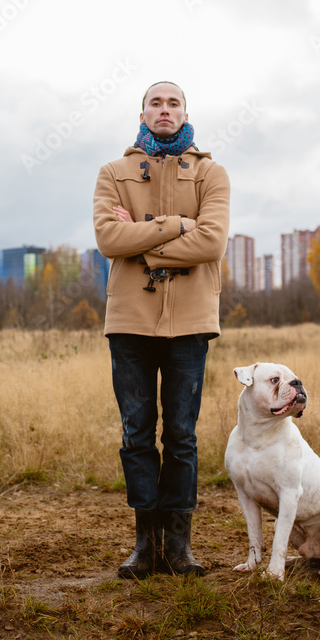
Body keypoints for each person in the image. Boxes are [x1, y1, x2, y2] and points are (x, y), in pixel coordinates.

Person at [92, 81, 231, 578]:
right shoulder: (114, 172)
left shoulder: (212, 173)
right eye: (157, 102)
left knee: (181, 434)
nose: (165, 110)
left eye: (174, 103)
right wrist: (176, 226)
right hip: (130, 319)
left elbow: (212, 242)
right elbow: (109, 238)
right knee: (135, 433)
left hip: (191, 319)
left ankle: (180, 547)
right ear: (143, 112)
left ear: (185, 112)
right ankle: (144, 545)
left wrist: (143, 240)